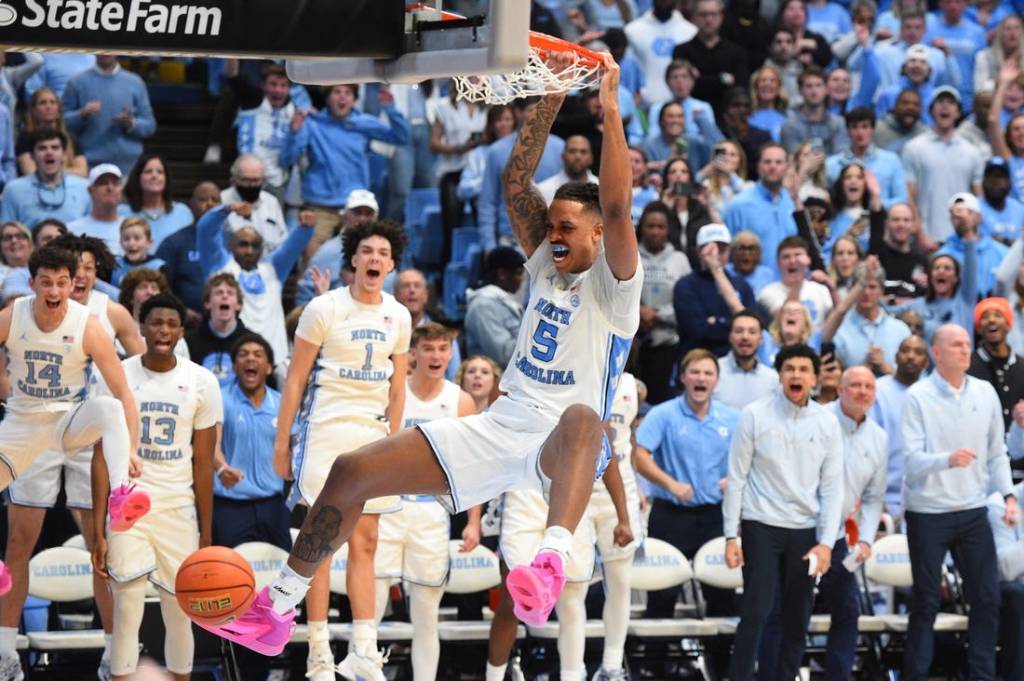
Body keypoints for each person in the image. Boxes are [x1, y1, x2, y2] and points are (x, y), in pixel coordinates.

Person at [202, 56, 642, 668]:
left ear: (598, 235)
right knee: (353, 471)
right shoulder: (545, 259)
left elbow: (618, 208)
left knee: (582, 419)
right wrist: (547, 94)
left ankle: (550, 559)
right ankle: (279, 608)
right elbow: (517, 180)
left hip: (564, 448)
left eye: (568, 227)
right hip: (501, 425)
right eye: (553, 226)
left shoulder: (617, 288)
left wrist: (611, 115)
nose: (555, 235)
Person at [0, 246, 152, 678]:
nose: (54, 290)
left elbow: (124, 394)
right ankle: (5, 653)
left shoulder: (88, 325)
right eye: (45, 281)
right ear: (31, 283)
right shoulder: (13, 316)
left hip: (71, 423)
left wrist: (134, 448)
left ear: (73, 284)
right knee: (17, 545)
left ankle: (114, 651)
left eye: (61, 282)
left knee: (101, 545)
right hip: (24, 426)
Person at [274, 219, 411, 680]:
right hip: (325, 432)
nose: (374, 259)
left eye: (383, 253)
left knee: (368, 543)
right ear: (352, 259)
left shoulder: (399, 315)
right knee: (319, 543)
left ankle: (363, 650)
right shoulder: (323, 308)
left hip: (373, 436)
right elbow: (295, 379)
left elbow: (398, 388)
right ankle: (317, 651)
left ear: (392, 264)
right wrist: (282, 441)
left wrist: (395, 439)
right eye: (366, 251)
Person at [90, 293, 221, 681]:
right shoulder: (115, 374)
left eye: (171, 324)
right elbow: (100, 456)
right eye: (156, 323)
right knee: (128, 606)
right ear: (142, 327)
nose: (163, 330)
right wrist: (97, 530)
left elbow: (203, 465)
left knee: (180, 610)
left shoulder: (202, 381)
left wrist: (208, 533)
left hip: (178, 507)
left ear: (181, 331)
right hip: (128, 505)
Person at [902, 323, 1018, 681]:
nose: (966, 349)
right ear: (936, 353)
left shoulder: (985, 393)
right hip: (927, 512)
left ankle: (982, 676)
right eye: (956, 344)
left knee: (987, 598)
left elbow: (997, 453)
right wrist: (946, 460)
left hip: (972, 510)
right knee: (926, 603)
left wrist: (1009, 496)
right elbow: (910, 461)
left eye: (968, 343)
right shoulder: (918, 396)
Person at [723, 343, 843, 681]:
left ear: (815, 378)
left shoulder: (827, 422)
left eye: (804, 370)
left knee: (797, 616)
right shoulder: (754, 414)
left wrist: (827, 544)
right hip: (761, 524)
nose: (796, 375)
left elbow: (833, 488)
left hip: (805, 531)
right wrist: (732, 534)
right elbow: (736, 478)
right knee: (756, 612)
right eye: (790, 369)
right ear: (779, 375)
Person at [374, 323, 475, 681]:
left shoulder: (461, 400)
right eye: (428, 348)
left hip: (432, 510)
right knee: (370, 610)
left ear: (450, 354)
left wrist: (474, 521)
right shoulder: (393, 391)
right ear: (413, 353)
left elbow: (471, 466)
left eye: (442, 348)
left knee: (426, 616)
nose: (436, 355)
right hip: (388, 505)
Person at [636, 349, 739, 619]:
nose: (701, 378)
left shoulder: (732, 418)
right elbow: (639, 453)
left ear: (716, 380)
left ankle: (720, 663)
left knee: (722, 600)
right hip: (671, 517)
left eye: (708, 373)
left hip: (715, 517)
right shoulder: (663, 414)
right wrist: (669, 483)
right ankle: (656, 662)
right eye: (695, 372)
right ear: (683, 377)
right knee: (661, 598)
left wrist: (736, 477)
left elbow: (753, 457)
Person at [212, 332, 289, 681]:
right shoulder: (222, 401)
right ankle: (244, 669)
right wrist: (222, 468)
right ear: (234, 364)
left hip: (274, 507)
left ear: (269, 365)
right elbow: (210, 445)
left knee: (283, 588)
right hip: (232, 509)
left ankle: (279, 661)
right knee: (236, 593)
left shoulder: (281, 404)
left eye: (258, 353)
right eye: (243, 353)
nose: (250, 359)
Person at [281, 84, 410, 258]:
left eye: (348, 93)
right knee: (314, 266)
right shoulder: (312, 123)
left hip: (357, 210)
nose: (342, 97)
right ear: (327, 97)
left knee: (359, 264)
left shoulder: (363, 123)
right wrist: (294, 132)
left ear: (354, 99)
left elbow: (402, 137)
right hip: (320, 208)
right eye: (337, 92)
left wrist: (390, 109)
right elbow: (286, 159)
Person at [820, 366, 887, 681]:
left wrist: (867, 540)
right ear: (840, 390)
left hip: (837, 540)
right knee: (789, 612)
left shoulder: (878, 438)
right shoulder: (817, 420)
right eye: (855, 385)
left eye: (869, 387)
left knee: (848, 611)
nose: (862, 391)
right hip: (801, 530)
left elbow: (874, 497)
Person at [198, 203, 315, 381]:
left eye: (255, 245)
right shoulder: (219, 266)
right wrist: (227, 209)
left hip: (275, 362)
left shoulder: (273, 269)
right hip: (235, 363)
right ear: (230, 246)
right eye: (243, 245)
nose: (249, 251)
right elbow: (205, 229)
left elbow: (296, 243)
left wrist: (307, 226)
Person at [588, 371, 644, 681]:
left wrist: (640, 489)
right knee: (573, 587)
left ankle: (612, 666)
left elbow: (630, 440)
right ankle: (572, 668)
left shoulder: (635, 386)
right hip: (579, 489)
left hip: (621, 488)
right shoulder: (576, 372)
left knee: (620, 581)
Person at [902, 86, 985, 244]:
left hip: (962, 239)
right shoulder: (913, 148)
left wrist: (972, 234)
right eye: (940, 102)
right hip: (927, 238)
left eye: (951, 102)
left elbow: (978, 198)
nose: (945, 106)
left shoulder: (972, 152)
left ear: (958, 112)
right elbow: (909, 195)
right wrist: (920, 235)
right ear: (931, 110)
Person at [869, 333, 929, 523]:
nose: (911, 356)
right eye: (905, 350)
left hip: (924, 500)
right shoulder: (877, 391)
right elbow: (869, 448)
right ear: (896, 357)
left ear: (926, 362)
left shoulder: (932, 395)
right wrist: (876, 498)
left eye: (918, 352)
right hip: (882, 498)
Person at [61, 54, 155, 175]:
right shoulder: (76, 82)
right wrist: (81, 115)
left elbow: (150, 125)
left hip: (129, 168)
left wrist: (131, 123)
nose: (105, 53)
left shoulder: (135, 82)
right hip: (90, 168)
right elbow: (62, 122)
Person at [674, 223, 757, 357]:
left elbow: (753, 323)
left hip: (735, 358)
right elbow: (698, 331)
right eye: (710, 249)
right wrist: (730, 323)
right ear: (698, 251)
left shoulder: (741, 285)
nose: (716, 255)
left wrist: (717, 321)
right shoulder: (685, 285)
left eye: (721, 249)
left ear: (729, 251)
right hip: (697, 359)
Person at [636, 202, 689, 404]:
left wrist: (657, 314)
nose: (655, 232)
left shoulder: (680, 260)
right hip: (635, 344)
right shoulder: (630, 256)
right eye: (650, 226)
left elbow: (686, 305)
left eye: (660, 227)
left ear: (668, 230)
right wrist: (638, 312)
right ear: (642, 228)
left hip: (668, 345)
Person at [233, 63, 305, 204]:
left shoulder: (294, 111)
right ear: (263, 86)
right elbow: (232, 76)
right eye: (273, 84)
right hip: (248, 177)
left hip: (277, 182)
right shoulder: (252, 102)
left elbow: (289, 158)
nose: (278, 90)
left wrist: (294, 133)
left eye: (283, 85)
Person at [724, 144, 798, 277]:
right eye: (767, 162)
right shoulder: (739, 204)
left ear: (787, 167)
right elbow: (726, 253)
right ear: (758, 166)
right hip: (751, 287)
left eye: (778, 162)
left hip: (789, 283)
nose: (773, 166)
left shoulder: (793, 203)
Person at [296, 189, 380, 307]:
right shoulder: (327, 253)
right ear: (345, 216)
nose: (362, 219)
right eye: (357, 213)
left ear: (376, 219)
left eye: (368, 214)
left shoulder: (384, 253)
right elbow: (304, 298)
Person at [833, 257, 912, 371]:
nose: (866, 292)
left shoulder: (901, 330)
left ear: (882, 290)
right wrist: (863, 370)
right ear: (852, 290)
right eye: (862, 287)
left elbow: (913, 377)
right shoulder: (839, 330)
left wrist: (886, 369)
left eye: (872, 287)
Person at [671, 0, 749, 114]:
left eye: (713, 14)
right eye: (703, 14)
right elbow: (682, 87)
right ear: (693, 18)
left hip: (727, 118)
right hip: (691, 114)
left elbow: (740, 88)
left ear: (721, 17)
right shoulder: (681, 52)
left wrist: (699, 80)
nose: (708, 19)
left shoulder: (737, 52)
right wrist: (722, 80)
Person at [1, 128, 90, 227]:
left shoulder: (84, 188)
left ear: (64, 155)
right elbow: (6, 230)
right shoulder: (13, 190)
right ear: (32, 156)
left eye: (55, 147)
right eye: (42, 148)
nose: (49, 152)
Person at [156, 182, 220, 314]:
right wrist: (182, 311)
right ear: (191, 205)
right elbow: (161, 286)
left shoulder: (232, 241)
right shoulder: (173, 243)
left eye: (215, 200)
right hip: (186, 322)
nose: (209, 204)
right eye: (202, 200)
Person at [825, 108, 908, 208]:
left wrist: (876, 206)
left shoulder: (891, 161)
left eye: (865, 127)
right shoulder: (831, 164)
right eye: (854, 127)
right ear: (848, 131)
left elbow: (901, 199)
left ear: (873, 129)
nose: (860, 133)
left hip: (881, 220)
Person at [463, 247, 526, 369]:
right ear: (502, 274)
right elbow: (505, 356)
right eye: (518, 273)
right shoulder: (483, 307)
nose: (522, 279)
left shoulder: (505, 302)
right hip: (492, 384)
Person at [624, 0, 697, 105]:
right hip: (643, 105)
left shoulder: (690, 32)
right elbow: (628, 72)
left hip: (681, 108)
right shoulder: (632, 31)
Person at [758, 236, 835, 333]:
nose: (793, 261)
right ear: (778, 263)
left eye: (798, 255)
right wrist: (798, 278)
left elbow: (836, 322)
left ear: (808, 260)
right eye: (786, 257)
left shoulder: (821, 290)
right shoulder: (767, 293)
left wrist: (832, 288)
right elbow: (783, 321)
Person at [969, 297, 1024, 431]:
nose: (991, 320)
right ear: (978, 328)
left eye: (998, 315)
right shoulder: (967, 365)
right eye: (985, 316)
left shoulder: (1022, 365)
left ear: (1008, 324)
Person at [937, 192, 1008, 296]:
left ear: (979, 217)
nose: (960, 217)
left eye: (969, 212)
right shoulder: (943, 256)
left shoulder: (1002, 252)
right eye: (954, 214)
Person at [118, 155, 194, 250]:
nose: (154, 176)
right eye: (148, 172)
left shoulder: (183, 212)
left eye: (160, 172)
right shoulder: (122, 212)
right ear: (138, 178)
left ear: (166, 179)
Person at [185, 273, 249, 385]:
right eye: (219, 292)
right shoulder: (189, 342)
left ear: (238, 304)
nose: (225, 296)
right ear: (207, 303)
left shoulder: (250, 342)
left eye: (230, 293)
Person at [16, 85, 88, 178]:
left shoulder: (70, 138)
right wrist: (66, 171)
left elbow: (83, 172)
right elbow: (30, 171)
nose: (48, 106)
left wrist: (49, 171)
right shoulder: (25, 137)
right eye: (42, 103)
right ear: (33, 110)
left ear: (59, 109)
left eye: (53, 102)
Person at [220, 155, 288, 252]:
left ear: (263, 180)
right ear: (234, 180)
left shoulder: (271, 202)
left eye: (255, 180)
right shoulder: (222, 200)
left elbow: (282, 238)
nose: (250, 185)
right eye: (245, 180)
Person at [714, 309, 779, 409]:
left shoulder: (772, 379)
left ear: (761, 339)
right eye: (739, 331)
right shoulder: (712, 372)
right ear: (730, 337)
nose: (745, 337)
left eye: (752, 332)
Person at [781, 66, 850, 155]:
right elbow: (795, 158)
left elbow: (841, 156)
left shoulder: (839, 123)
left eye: (818, 85)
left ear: (826, 89)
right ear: (800, 90)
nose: (814, 91)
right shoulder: (790, 126)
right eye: (809, 86)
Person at [69, 163, 125, 255]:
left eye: (115, 183)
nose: (110, 188)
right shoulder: (73, 230)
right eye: (103, 183)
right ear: (90, 190)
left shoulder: (133, 228)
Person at [537, 135, 599, 205]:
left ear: (591, 158)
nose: (577, 156)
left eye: (583, 152)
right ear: (562, 156)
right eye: (572, 151)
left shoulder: (601, 189)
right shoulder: (543, 191)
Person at [979, 157, 1024, 245]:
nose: (995, 182)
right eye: (991, 176)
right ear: (983, 181)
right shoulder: (975, 208)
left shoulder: (1020, 209)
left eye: (1000, 176)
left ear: (1009, 181)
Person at [873, 88, 929, 153]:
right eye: (905, 103)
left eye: (916, 104)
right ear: (894, 106)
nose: (911, 108)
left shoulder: (925, 134)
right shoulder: (877, 130)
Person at [727, 230, 774, 295]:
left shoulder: (767, 274)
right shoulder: (725, 272)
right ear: (733, 252)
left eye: (751, 249)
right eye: (741, 248)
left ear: (759, 253)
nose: (746, 253)